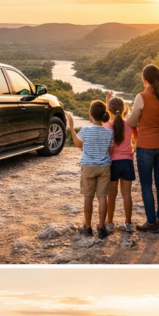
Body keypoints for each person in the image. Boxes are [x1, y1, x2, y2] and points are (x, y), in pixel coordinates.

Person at [125, 65, 159, 233]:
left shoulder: (142, 96)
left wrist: (130, 113)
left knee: (146, 184)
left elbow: (131, 123)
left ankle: (151, 222)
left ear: (144, 79)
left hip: (146, 146)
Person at [66, 101, 114, 239]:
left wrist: (71, 128)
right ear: (104, 114)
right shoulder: (109, 132)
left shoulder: (86, 130)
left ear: (90, 114)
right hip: (104, 167)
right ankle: (101, 227)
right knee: (102, 197)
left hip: (88, 167)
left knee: (88, 197)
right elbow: (110, 150)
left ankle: (87, 227)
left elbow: (77, 144)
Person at [104, 93, 135, 233]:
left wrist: (107, 102)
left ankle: (109, 223)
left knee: (111, 195)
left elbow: (109, 118)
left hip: (113, 163)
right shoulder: (130, 124)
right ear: (124, 110)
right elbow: (137, 141)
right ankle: (128, 223)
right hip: (128, 162)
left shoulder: (107, 126)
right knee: (127, 194)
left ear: (109, 110)